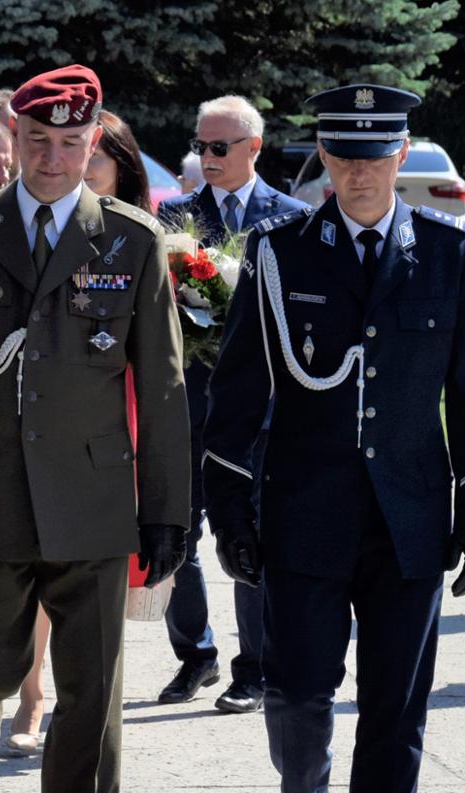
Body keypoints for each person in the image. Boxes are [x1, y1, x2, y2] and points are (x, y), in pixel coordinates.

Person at [203, 84, 465, 793]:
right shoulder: (280, 253)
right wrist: (231, 512)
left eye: (374, 156)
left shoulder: (448, 251)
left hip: (409, 518)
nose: (359, 173)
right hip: (304, 514)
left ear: (400, 154)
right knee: (298, 693)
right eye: (343, 156)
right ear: (323, 155)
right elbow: (237, 394)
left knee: (396, 708)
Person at [0, 64, 191, 793]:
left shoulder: (132, 240)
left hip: (92, 500)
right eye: (38, 139)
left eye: (71, 143)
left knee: (91, 700)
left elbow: (162, 387)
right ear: (15, 135)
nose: (53, 157)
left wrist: (166, 510)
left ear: (94, 142)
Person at [155, 94, 305, 716]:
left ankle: (256, 668)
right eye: (201, 146)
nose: (207, 157)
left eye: (219, 147)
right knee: (176, 535)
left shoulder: (292, 218)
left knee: (252, 535)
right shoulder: (175, 218)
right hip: (190, 403)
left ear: (253, 149)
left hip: (261, 412)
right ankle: (197, 654)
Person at [85, 111, 149, 211]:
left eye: (93, 154)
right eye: (75, 154)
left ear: (121, 163)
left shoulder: (137, 220)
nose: (81, 164)